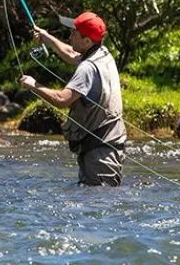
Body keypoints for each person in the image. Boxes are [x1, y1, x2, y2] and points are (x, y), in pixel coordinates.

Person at [19, 11, 126, 186]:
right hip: (107, 143)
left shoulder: (87, 69)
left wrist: (33, 85)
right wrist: (47, 38)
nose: (70, 36)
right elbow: (71, 54)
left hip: (99, 151)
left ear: (87, 41)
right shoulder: (103, 53)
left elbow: (62, 99)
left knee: (100, 200)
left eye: (74, 34)